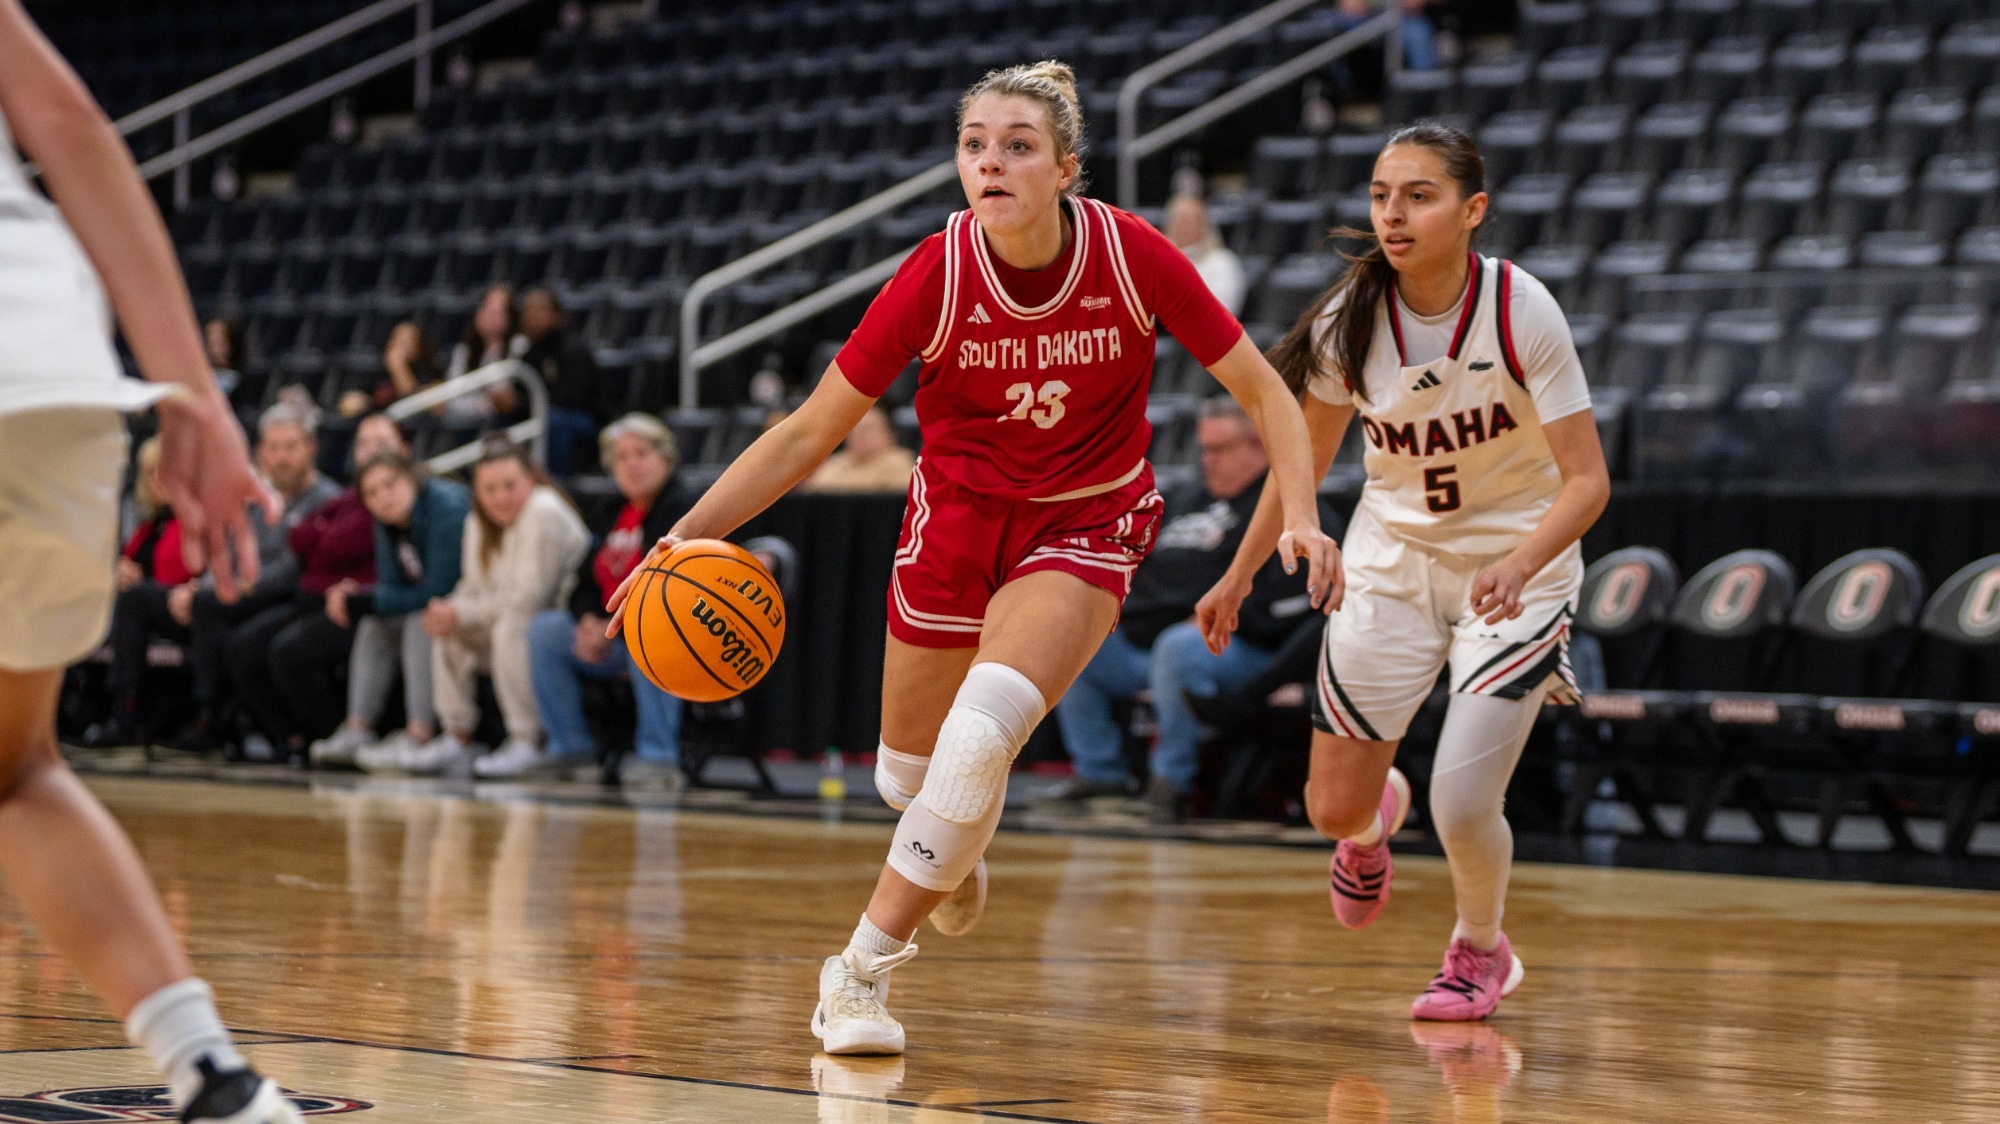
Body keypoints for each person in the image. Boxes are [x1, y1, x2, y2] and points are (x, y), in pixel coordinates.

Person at [606, 60, 1337, 1056]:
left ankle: (855, 972)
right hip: (953, 525)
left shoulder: (1133, 256)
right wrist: (682, 535)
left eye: (1016, 145)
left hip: (1080, 525)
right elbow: (806, 431)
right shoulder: (936, 271)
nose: (990, 161)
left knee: (981, 735)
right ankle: (946, 840)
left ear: (1065, 167)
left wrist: (1297, 510)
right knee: (906, 781)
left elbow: (1265, 392)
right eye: (974, 144)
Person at [1196, 122, 1609, 1022]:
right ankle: (1374, 819)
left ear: (1472, 211)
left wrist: (1525, 558)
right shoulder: (1354, 316)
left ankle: (1480, 952)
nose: (1393, 213)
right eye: (1382, 194)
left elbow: (1588, 482)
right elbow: (1299, 461)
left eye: (1418, 195)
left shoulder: (1520, 308)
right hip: (1393, 559)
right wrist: (1238, 574)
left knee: (1465, 801)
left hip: (1516, 566)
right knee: (1330, 810)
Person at [0, 4, 304, 1118]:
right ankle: (215, 1078)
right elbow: (70, 124)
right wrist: (196, 396)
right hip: (47, 364)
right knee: (17, 770)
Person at [1044, 396, 1341, 823]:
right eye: (1202, 449)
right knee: (1074, 637)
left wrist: (1220, 618)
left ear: (1258, 446)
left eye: (1218, 450)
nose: (1207, 461)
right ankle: (1099, 773)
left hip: (1235, 650)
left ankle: (1170, 786)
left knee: (1179, 646)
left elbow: (1294, 608)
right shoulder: (1182, 500)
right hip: (1151, 642)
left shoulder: (1290, 509)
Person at [521, 414, 693, 785]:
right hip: (608, 634)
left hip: (667, 635)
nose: (631, 463)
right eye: (621, 456)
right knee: (545, 631)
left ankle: (659, 758)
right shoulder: (609, 511)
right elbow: (583, 582)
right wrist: (587, 621)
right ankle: (570, 749)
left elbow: (666, 589)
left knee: (651, 633)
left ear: (665, 457)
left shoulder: (685, 508)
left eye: (641, 453)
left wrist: (612, 630)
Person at [225, 413, 408, 761]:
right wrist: (322, 536)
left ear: (404, 449)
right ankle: (286, 736)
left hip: (360, 605)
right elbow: (300, 537)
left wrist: (322, 535)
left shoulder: (384, 498)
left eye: (380, 443)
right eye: (363, 443)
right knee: (243, 645)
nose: (370, 451)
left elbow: (333, 543)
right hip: (315, 598)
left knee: (288, 650)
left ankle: (327, 734)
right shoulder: (353, 496)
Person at [409, 438, 591, 778]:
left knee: (512, 624)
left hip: (559, 624)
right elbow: (472, 587)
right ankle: (457, 737)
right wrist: (449, 609)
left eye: (510, 485)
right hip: (509, 620)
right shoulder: (478, 521)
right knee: (448, 626)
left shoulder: (543, 510)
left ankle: (528, 740)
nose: (500, 497)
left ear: (531, 480)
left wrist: (462, 612)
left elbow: (529, 598)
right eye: (489, 489)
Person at [168, 400, 341, 755]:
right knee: (176, 601)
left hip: (297, 599)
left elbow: (295, 569)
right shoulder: (256, 498)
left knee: (231, 631)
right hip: (246, 593)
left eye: (290, 447)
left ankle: (229, 722)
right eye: (273, 448)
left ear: (312, 448)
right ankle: (216, 719)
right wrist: (207, 585)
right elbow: (229, 553)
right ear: (261, 452)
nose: (281, 457)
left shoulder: (328, 501)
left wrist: (237, 588)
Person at [327, 451, 472, 770]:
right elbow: (391, 587)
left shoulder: (446, 507)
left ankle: (420, 733)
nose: (383, 498)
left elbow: (439, 588)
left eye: (389, 485)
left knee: (420, 620)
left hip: (470, 600)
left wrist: (368, 599)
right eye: (372, 493)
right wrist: (364, 599)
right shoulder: (389, 521)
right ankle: (358, 728)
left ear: (411, 478)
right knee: (376, 622)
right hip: (441, 602)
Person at [79, 437, 200, 748]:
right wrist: (119, 571)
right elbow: (132, 566)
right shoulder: (152, 524)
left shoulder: (195, 521)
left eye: (165, 471)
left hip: (188, 611)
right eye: (150, 473)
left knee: (134, 600)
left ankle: (125, 711)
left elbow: (180, 572)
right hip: (146, 615)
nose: (157, 480)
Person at [520, 287, 612, 476]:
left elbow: (570, 400)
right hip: (549, 415)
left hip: (587, 421)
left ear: (557, 315)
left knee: (553, 421)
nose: (533, 317)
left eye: (540, 310)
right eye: (528, 311)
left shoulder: (574, 348)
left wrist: (520, 404)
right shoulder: (531, 352)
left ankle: (556, 481)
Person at [442, 283, 526, 423]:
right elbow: (452, 399)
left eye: (498, 312)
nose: (490, 316)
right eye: (486, 309)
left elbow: (506, 398)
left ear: (510, 317)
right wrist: (481, 405)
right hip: (467, 424)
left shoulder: (520, 346)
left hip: (505, 423)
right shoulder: (464, 351)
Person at [1164, 194, 1246, 316]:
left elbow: (1223, 312)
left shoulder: (1222, 262)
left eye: (1190, 220)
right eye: (1181, 220)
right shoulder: (1158, 263)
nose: (1185, 228)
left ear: (1205, 225)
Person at [803, 405, 917, 493]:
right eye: (856, 429)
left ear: (889, 434)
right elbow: (812, 494)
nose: (861, 435)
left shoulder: (901, 462)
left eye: (869, 429)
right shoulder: (834, 463)